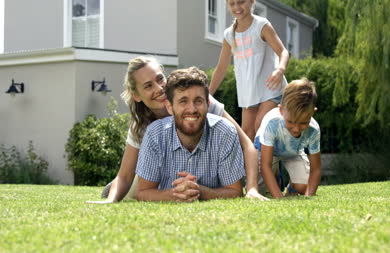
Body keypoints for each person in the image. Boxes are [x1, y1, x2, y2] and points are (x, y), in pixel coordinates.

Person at [87, 56, 268, 204]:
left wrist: (251, 188)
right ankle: (111, 191)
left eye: (160, 79)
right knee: (131, 191)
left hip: (196, 173)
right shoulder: (142, 126)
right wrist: (112, 200)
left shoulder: (201, 105)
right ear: (137, 95)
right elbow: (125, 175)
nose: (159, 88)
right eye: (148, 86)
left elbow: (247, 145)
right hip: (153, 173)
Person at [136, 67, 246, 201]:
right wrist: (176, 194)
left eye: (198, 101)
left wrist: (198, 191)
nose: (192, 109)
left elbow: (235, 192)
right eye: (183, 101)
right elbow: (143, 192)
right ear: (170, 107)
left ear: (208, 104)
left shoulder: (225, 132)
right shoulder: (155, 134)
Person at [209, 0, 289, 141]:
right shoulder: (229, 35)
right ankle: (252, 164)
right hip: (249, 94)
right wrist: (207, 94)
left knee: (261, 126)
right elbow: (221, 68)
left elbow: (283, 52)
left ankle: (269, 163)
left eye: (241, 2)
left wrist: (280, 69)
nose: (237, 7)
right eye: (232, 4)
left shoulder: (261, 26)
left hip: (271, 88)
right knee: (246, 134)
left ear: (252, 2)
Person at [254, 78, 321, 198]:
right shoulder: (272, 123)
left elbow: (315, 170)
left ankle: (291, 187)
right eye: (290, 121)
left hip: (293, 152)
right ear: (281, 110)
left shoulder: (313, 130)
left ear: (313, 112)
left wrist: (309, 196)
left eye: (303, 123)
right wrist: (279, 198)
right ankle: (276, 175)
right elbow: (265, 165)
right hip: (267, 151)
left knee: (303, 186)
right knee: (260, 191)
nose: (296, 129)